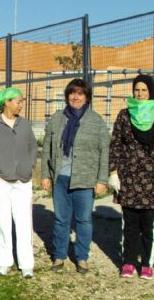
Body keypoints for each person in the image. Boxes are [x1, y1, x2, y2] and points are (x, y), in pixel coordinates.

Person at [108, 75, 154, 280]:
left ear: (151, 92)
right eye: (137, 90)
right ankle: (128, 261)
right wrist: (113, 172)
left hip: (152, 179)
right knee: (129, 224)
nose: (140, 94)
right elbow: (116, 145)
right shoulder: (124, 115)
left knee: (148, 223)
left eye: (144, 90)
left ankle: (146, 263)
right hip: (129, 178)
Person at [41, 78, 109, 274]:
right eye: (72, 93)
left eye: (80, 93)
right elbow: (47, 147)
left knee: (84, 220)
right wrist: (45, 175)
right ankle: (59, 255)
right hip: (60, 177)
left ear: (87, 96)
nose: (75, 97)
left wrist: (101, 179)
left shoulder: (96, 121)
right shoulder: (57, 118)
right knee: (61, 219)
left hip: (85, 179)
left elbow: (104, 151)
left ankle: (82, 257)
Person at [0, 88, 38, 278]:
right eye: (18, 101)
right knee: (2, 222)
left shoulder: (25, 124)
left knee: (24, 222)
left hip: (23, 180)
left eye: (21, 101)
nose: (21, 105)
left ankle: (26, 265)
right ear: (7, 102)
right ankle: (4, 262)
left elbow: (32, 147)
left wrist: (29, 165)